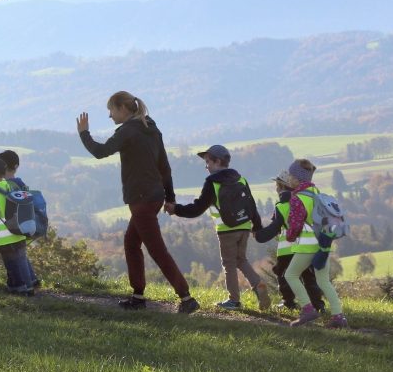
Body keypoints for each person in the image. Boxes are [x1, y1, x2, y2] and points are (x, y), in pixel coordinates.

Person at [77, 91, 198, 314]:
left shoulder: (128, 132)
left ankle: (186, 297)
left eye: (111, 110)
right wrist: (170, 198)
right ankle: (138, 296)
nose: (110, 116)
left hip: (141, 199)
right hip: (153, 196)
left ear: (123, 109)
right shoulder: (151, 128)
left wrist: (84, 134)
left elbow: (101, 152)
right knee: (131, 243)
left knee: (156, 249)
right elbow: (165, 167)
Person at [168, 144, 271, 310]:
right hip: (244, 226)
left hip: (226, 229)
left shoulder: (212, 183)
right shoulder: (240, 179)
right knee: (240, 259)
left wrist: (176, 209)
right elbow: (251, 205)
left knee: (229, 264)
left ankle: (234, 300)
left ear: (217, 161)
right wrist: (257, 227)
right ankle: (257, 284)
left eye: (208, 161)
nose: (206, 165)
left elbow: (197, 208)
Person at [281, 159, 348, 328]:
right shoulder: (317, 193)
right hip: (322, 245)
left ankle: (307, 309)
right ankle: (338, 316)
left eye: (290, 175)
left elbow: (295, 225)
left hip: (307, 245)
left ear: (297, 178)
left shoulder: (298, 199)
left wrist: (289, 236)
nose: (288, 178)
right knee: (323, 281)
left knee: (291, 275)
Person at [253, 171, 325, 312]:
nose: (276, 188)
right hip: (308, 246)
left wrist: (259, 236)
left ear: (282, 187)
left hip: (287, 249)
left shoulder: (282, 206)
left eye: (277, 185)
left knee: (284, 275)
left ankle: (289, 303)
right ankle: (318, 305)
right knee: (309, 276)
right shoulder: (306, 201)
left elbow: (275, 227)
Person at [0, 154, 35, 295]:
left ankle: (17, 288)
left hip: (6, 237)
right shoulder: (12, 185)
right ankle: (29, 288)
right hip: (20, 231)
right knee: (21, 261)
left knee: (11, 264)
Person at [0, 149, 40, 289]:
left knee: (15, 258)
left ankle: (23, 285)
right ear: (16, 166)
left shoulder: (6, 186)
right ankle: (32, 279)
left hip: (12, 227)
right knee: (21, 255)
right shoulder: (20, 183)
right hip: (25, 224)